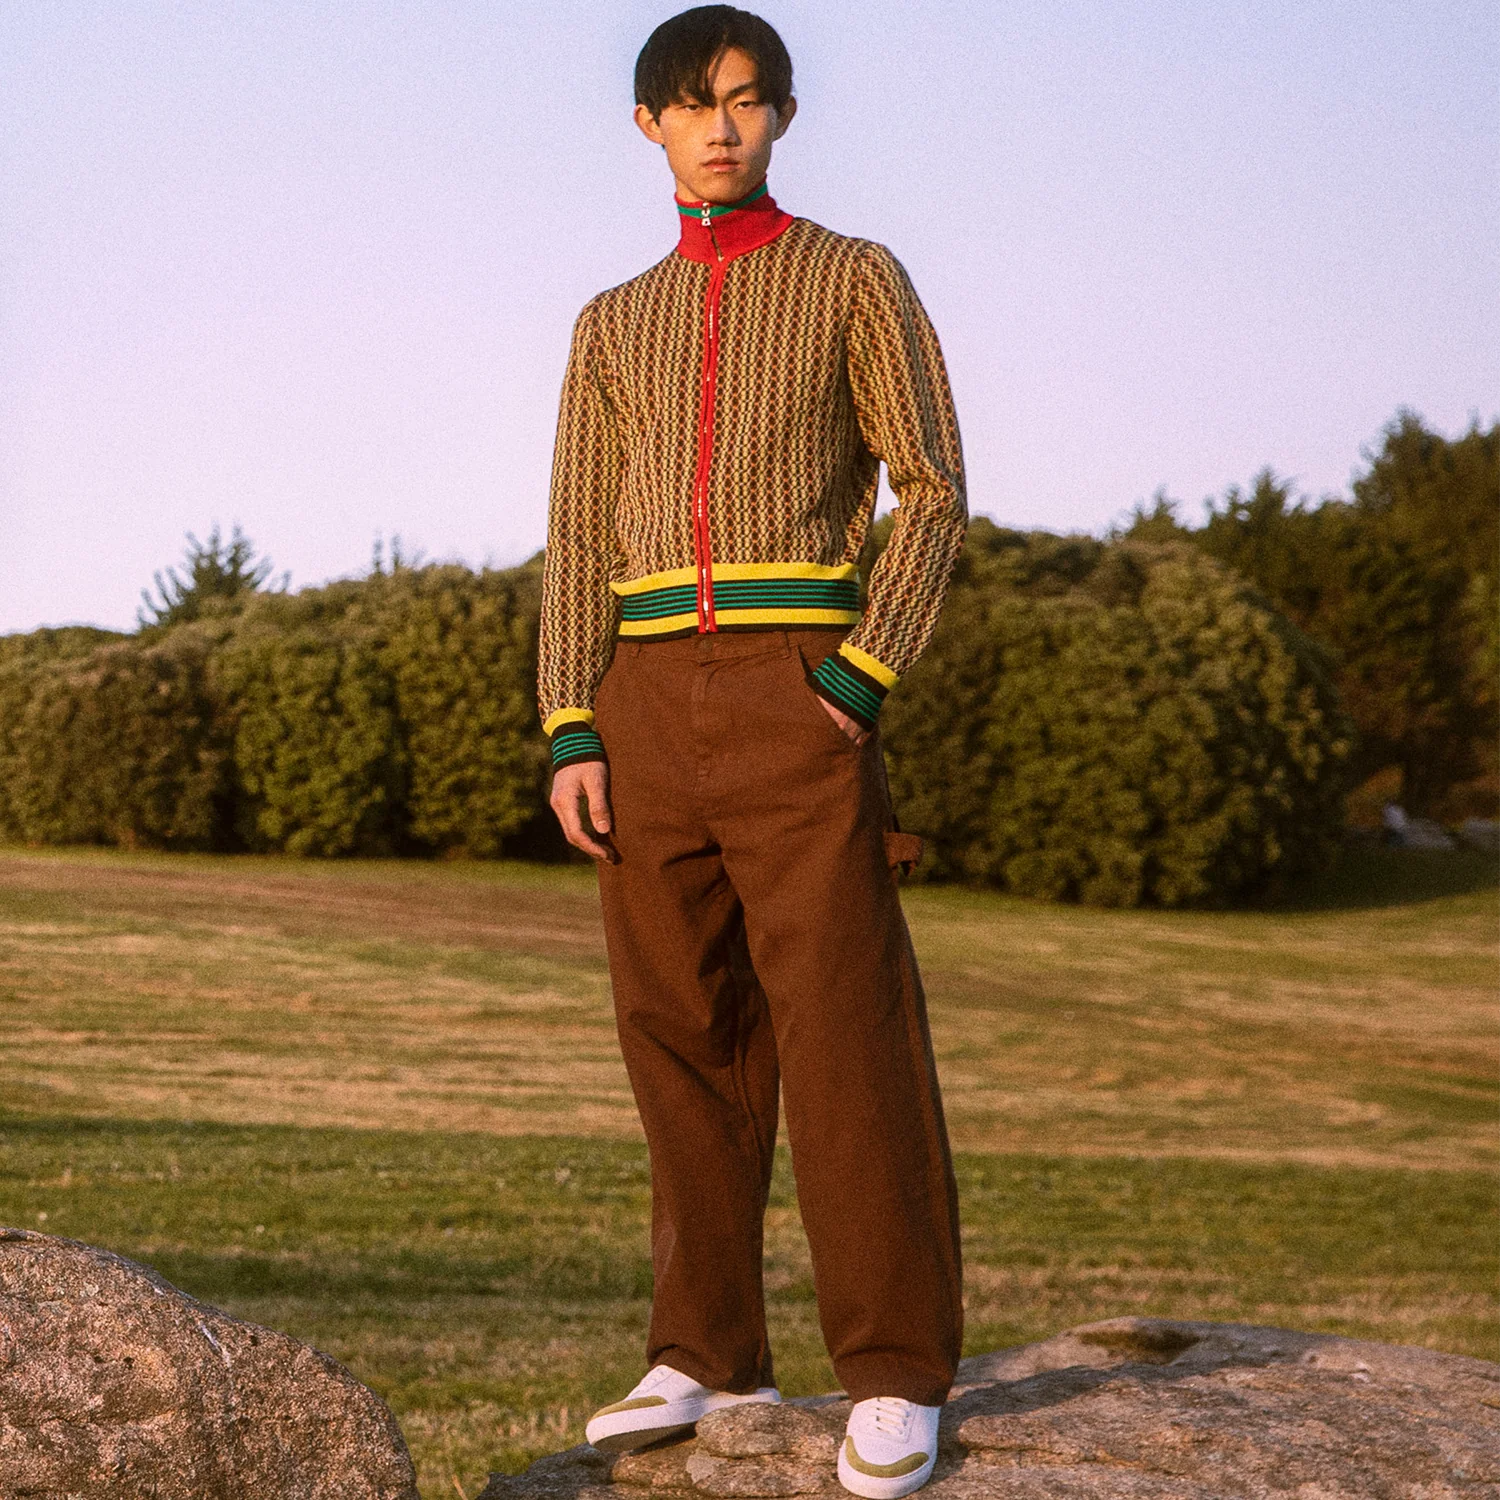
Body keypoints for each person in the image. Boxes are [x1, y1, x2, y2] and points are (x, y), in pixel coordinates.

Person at [537, 8, 968, 1496]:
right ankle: (708, 1351)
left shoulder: (854, 276)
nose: (720, 128)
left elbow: (932, 488)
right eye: (692, 104)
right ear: (647, 125)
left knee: (847, 1033)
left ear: (781, 115)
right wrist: (571, 720)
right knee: (680, 1035)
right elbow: (576, 532)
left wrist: (858, 677)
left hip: (802, 693)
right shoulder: (611, 322)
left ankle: (897, 1371)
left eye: (746, 101)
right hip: (646, 704)